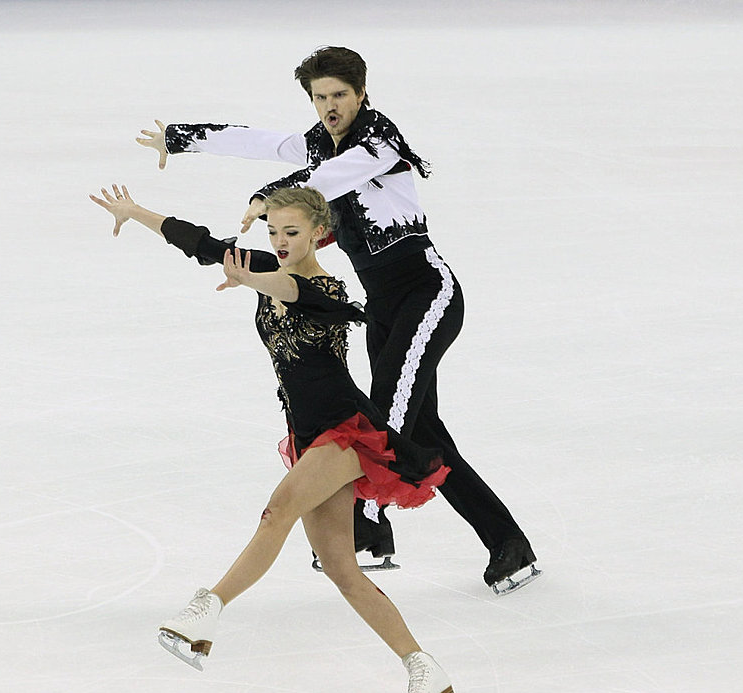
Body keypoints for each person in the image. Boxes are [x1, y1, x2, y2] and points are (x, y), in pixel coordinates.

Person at [135, 46, 540, 594]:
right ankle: (507, 545)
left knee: (386, 416)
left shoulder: (378, 140)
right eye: (320, 97)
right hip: (381, 307)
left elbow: (324, 180)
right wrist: (183, 137)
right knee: (420, 429)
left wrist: (266, 198)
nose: (330, 106)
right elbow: (259, 141)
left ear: (362, 93)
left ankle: (368, 527)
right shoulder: (318, 144)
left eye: (340, 95)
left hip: (426, 292)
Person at [89, 183, 458, 693]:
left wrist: (250, 278)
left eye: (291, 232)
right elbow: (199, 242)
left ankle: (206, 609)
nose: (281, 241)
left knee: (277, 510)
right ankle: (425, 671)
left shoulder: (326, 288)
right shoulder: (265, 268)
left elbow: (287, 289)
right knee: (341, 569)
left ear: (318, 233)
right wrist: (135, 211)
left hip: (348, 432)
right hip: (309, 436)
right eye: (273, 232)